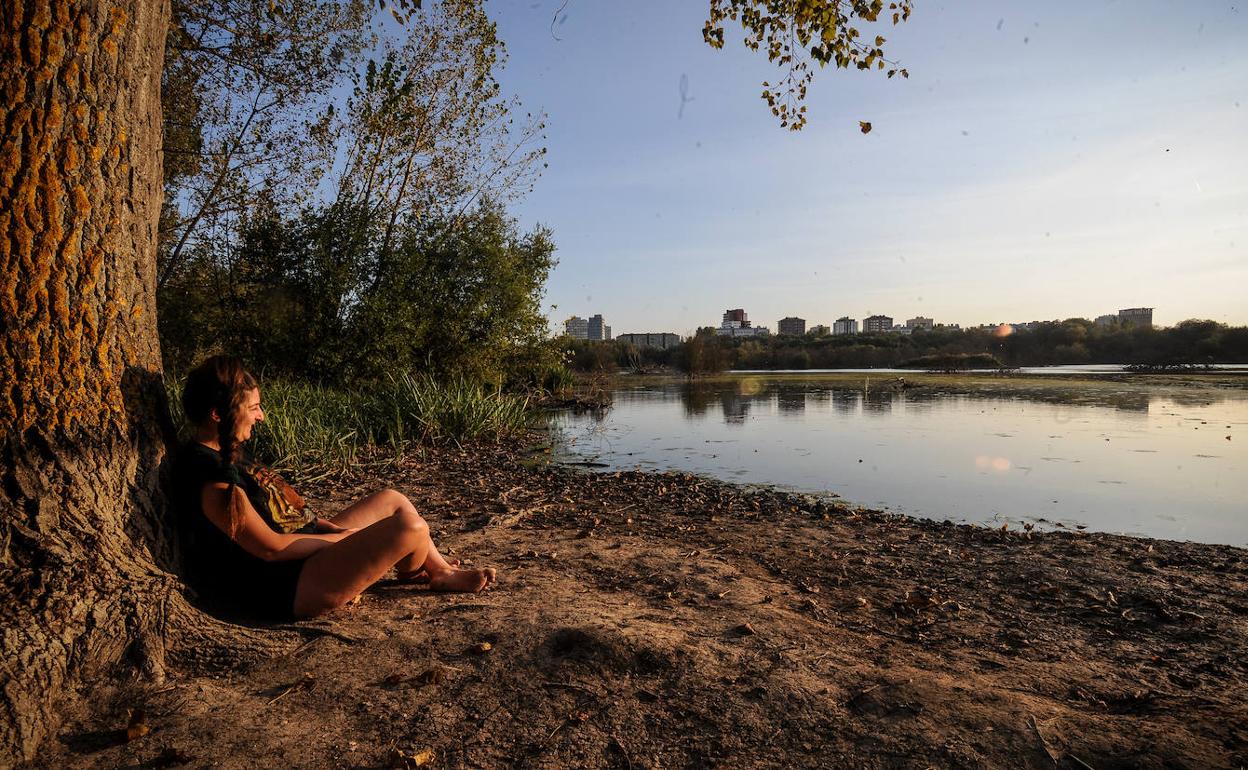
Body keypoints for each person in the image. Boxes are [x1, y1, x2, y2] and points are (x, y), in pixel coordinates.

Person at [172, 356, 496, 620]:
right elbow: (269, 547)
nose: (262, 416)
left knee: (392, 500)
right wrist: (338, 540)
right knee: (410, 529)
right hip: (286, 584)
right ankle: (412, 567)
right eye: (253, 408)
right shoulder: (209, 473)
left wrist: (321, 525)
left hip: (305, 553)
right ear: (217, 414)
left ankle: (438, 572)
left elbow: (278, 511)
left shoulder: (231, 449)